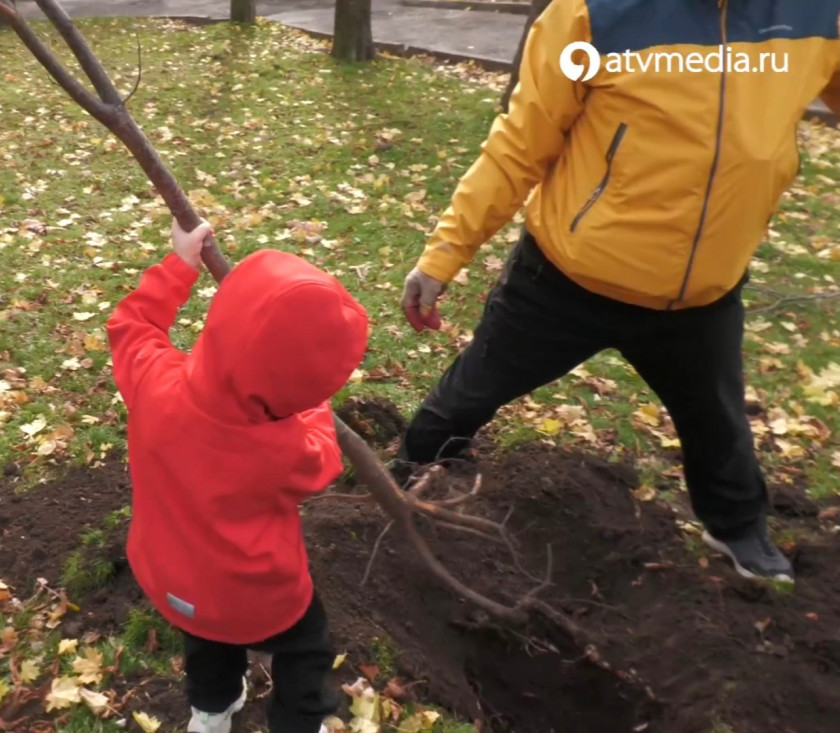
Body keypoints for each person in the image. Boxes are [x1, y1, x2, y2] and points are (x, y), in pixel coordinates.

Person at [397, 0, 840, 584]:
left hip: (701, 297)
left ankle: (735, 525)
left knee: (718, 425)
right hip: (566, 281)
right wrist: (442, 257)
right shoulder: (593, 14)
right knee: (474, 388)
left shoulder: (815, 14)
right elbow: (519, 144)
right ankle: (408, 471)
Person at [107, 219, 370, 733]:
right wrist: (313, 404)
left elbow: (132, 324)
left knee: (207, 638)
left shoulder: (153, 381)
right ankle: (298, 723)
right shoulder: (286, 446)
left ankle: (211, 715)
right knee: (308, 648)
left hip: (172, 577)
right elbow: (323, 464)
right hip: (259, 595)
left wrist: (180, 264)